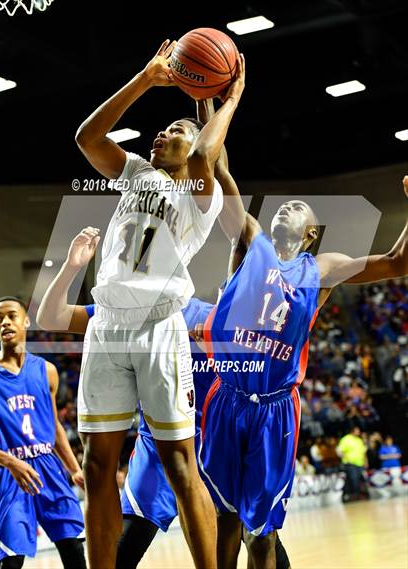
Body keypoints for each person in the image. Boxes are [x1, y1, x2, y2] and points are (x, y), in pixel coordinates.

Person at [73, 39, 245, 569]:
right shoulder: (136, 174)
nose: (161, 134)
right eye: (162, 129)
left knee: (178, 461)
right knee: (98, 466)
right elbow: (87, 137)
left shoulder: (203, 193)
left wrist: (228, 97)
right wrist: (146, 78)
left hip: (158, 327)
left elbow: (202, 154)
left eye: (175, 130)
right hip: (107, 326)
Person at [195, 170, 408, 568]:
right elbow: (214, 170)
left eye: (297, 208)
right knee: (224, 520)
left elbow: (398, 262)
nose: (286, 208)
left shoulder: (321, 269)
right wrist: (213, 108)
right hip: (226, 398)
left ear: (310, 234)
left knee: (260, 534)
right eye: (282, 205)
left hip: (273, 409)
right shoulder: (249, 242)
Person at [0, 297, 86, 569]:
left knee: (73, 548)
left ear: (26, 321)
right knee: (12, 559)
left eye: (11, 316)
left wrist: (74, 468)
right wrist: (10, 462)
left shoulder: (47, 371)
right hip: (9, 472)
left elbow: (53, 426)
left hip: (49, 468)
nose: (5, 322)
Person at [337, 427, 368, 501]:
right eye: (357, 431)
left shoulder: (359, 440)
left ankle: (352, 495)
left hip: (360, 464)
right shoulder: (346, 439)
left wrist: (366, 461)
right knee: (354, 479)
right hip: (350, 464)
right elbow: (340, 451)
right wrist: (346, 459)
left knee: (359, 480)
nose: (359, 432)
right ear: (352, 431)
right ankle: (355, 496)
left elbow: (363, 452)